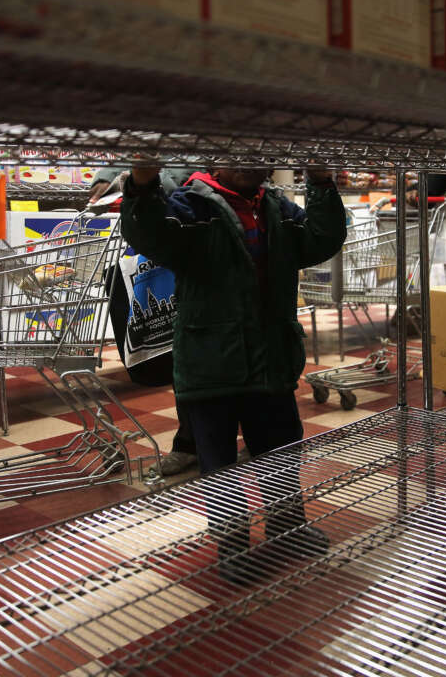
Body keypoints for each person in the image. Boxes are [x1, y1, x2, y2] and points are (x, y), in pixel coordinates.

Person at [117, 163, 346, 583]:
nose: (249, 163)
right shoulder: (189, 205)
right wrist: (142, 185)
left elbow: (321, 238)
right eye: (237, 152)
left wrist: (321, 183)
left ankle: (287, 529)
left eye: (258, 154)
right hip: (211, 363)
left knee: (281, 452)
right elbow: (150, 236)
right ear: (214, 156)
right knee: (220, 464)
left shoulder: (276, 207)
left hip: (270, 358)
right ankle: (233, 544)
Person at [91, 166, 199, 475]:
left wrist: (151, 180)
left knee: (204, 356)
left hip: (186, 224)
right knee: (180, 355)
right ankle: (191, 442)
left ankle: (212, 440)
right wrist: (108, 177)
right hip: (157, 225)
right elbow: (130, 147)